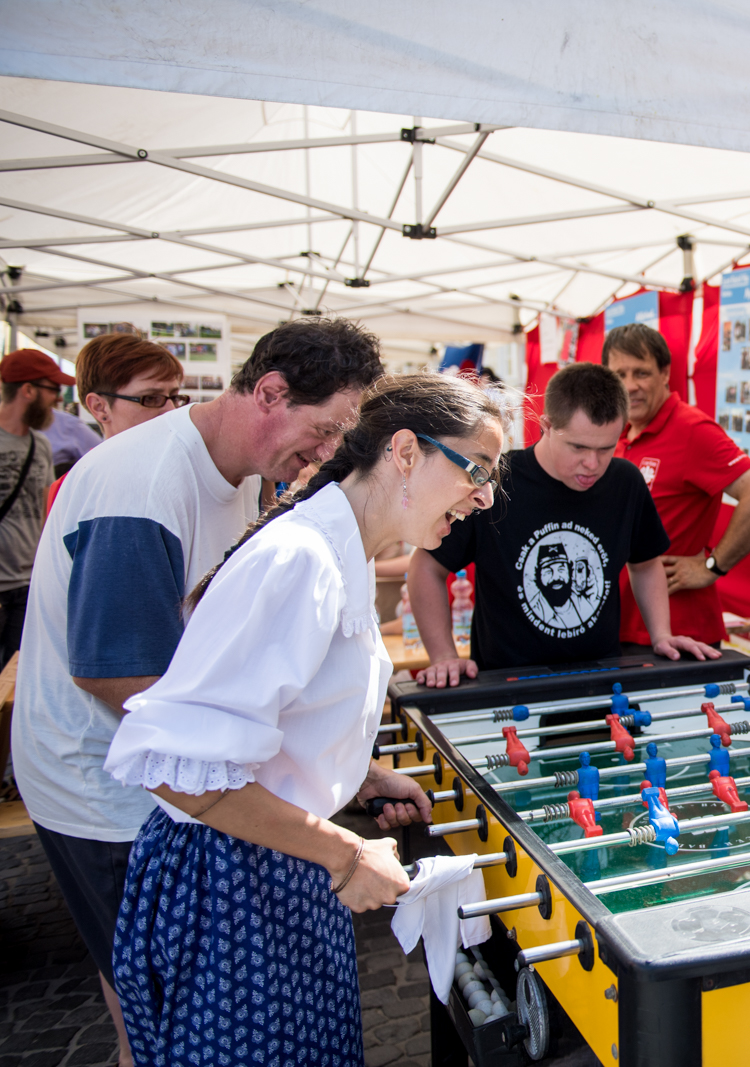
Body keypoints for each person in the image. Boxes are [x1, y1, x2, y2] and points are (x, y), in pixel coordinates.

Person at [11, 318, 384, 1067]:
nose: (327, 450)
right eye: (324, 428)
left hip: (159, 781)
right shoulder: (144, 484)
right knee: (157, 1017)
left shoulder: (243, 474)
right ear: (271, 392)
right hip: (106, 790)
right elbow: (118, 673)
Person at [102, 373, 504, 1066]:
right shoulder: (299, 559)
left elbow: (270, 727)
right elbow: (181, 770)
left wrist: (359, 776)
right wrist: (344, 852)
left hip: (275, 866)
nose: (486, 495)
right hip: (232, 886)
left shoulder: (329, 546)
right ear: (406, 451)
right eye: (477, 469)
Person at [410, 361, 718, 687]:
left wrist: (661, 635)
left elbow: (644, 564)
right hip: (507, 687)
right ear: (546, 425)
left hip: (601, 679)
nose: (592, 464)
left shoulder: (625, 482)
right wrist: (443, 655)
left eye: (606, 448)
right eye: (578, 447)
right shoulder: (496, 482)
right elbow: (427, 566)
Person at [604, 323, 750, 645]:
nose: (630, 386)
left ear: (665, 373)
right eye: (620, 374)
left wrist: (712, 566)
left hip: (678, 633)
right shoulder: (615, 433)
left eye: (641, 373)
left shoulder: (691, 429)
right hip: (623, 625)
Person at [46, 334, 186, 513]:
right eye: (151, 398)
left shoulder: (187, 474)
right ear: (100, 408)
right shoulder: (74, 488)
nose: (171, 409)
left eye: (174, 397)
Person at [0, 349, 73, 663]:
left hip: (27, 584)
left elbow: (46, 510)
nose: (58, 400)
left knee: (16, 674)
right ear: (28, 390)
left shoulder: (40, 444)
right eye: (53, 390)